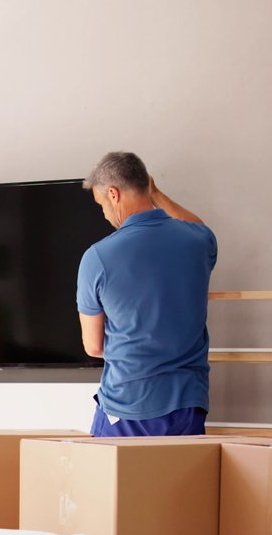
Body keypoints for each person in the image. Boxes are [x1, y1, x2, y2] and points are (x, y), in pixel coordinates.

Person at [75, 151, 216, 437]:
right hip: (188, 404)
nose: (103, 214)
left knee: (105, 482)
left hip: (126, 406)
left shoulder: (98, 257)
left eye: (101, 204)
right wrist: (157, 195)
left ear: (113, 194)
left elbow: (94, 347)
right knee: (179, 482)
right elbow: (199, 226)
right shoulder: (199, 241)